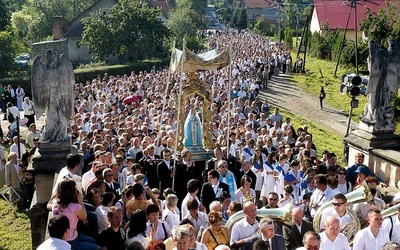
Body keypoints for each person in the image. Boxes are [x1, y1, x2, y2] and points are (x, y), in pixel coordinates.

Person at [50, 178, 99, 250]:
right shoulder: (75, 207)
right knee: (98, 247)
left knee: (92, 240)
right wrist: (80, 201)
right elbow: (84, 217)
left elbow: (49, 204)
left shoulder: (55, 204)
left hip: (68, 237)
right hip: (71, 242)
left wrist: (58, 194)